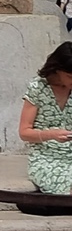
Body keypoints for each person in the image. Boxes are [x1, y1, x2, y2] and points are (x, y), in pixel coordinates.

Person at [20, 42, 72, 194]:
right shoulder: (37, 88)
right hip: (47, 158)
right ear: (57, 70)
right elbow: (24, 132)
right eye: (69, 76)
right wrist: (52, 134)